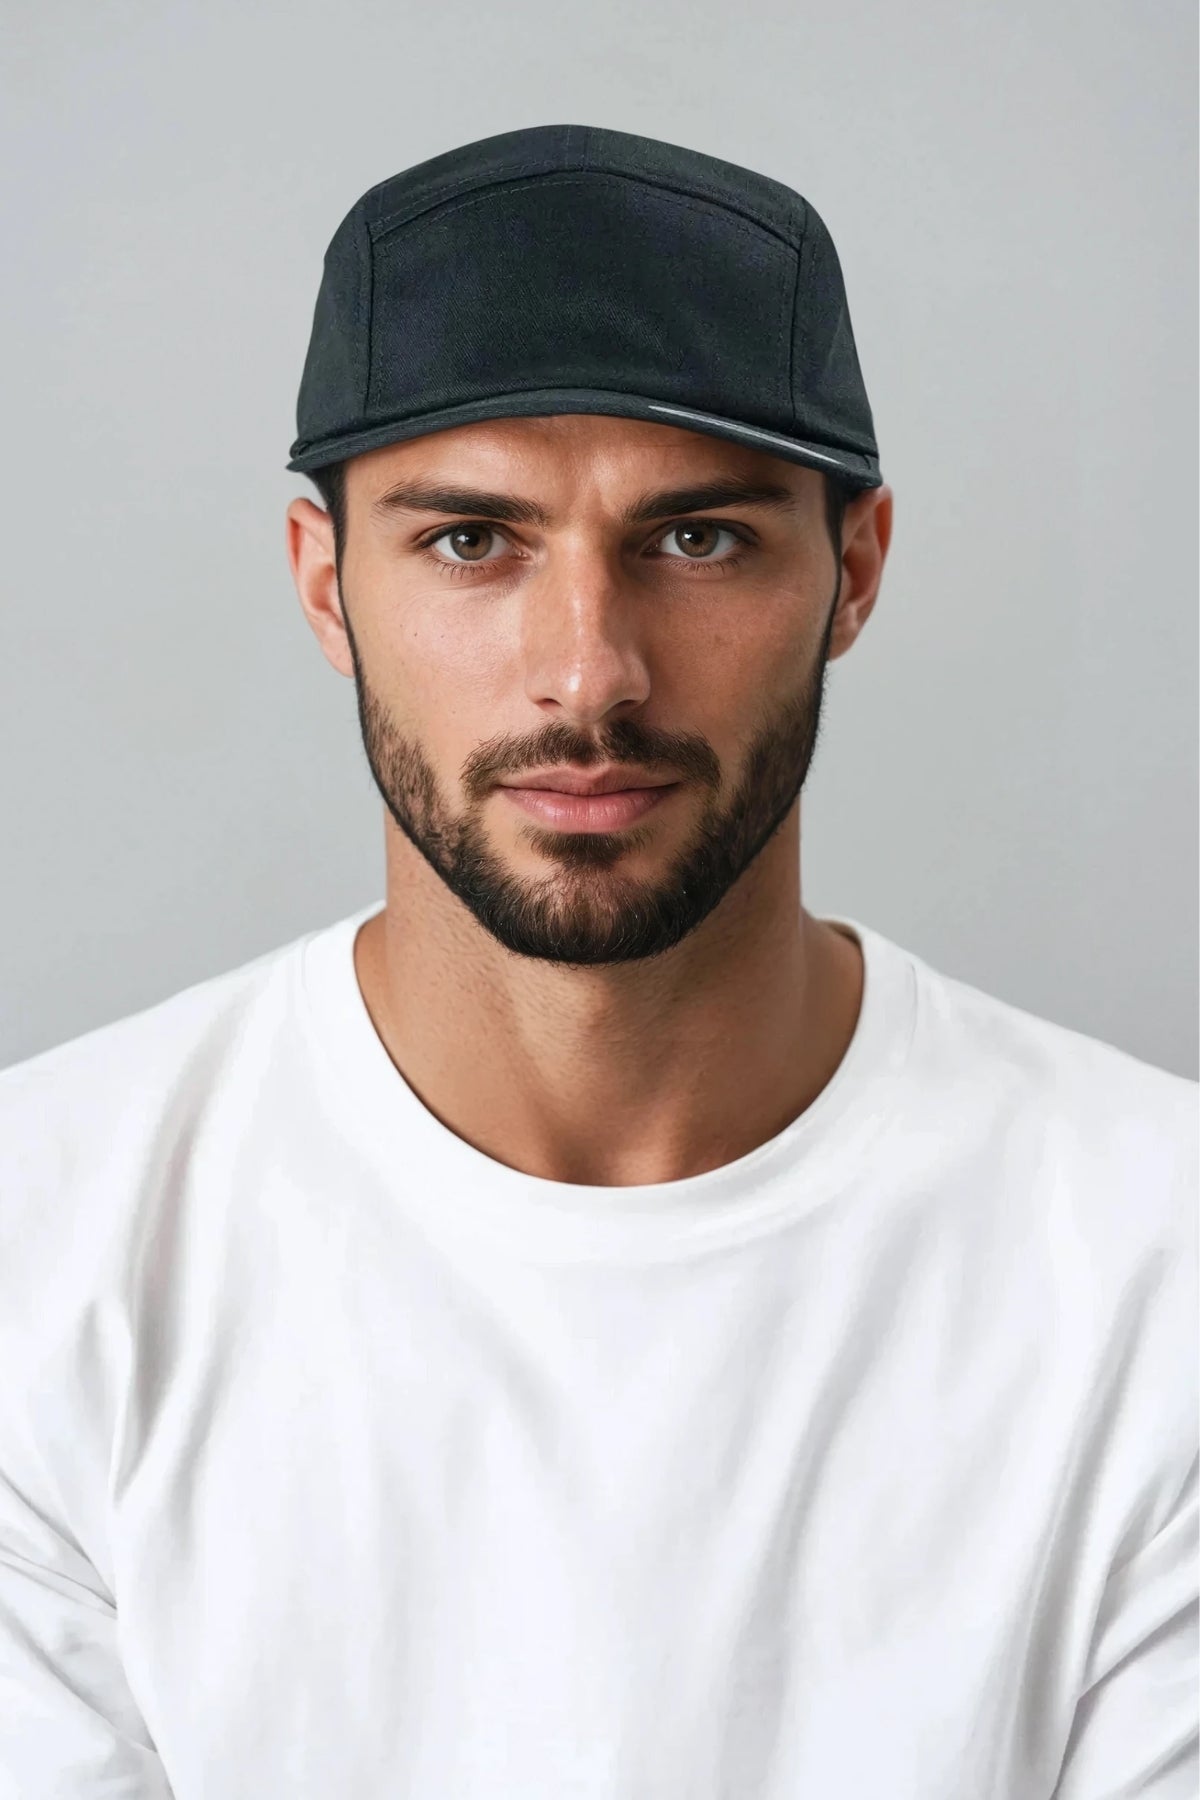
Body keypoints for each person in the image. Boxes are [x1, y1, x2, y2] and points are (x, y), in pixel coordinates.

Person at [0, 123, 1195, 1800]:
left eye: (696, 539)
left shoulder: (1156, 1262)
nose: (590, 673)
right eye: (471, 541)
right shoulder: (44, 1253)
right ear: (327, 587)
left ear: (852, 572)